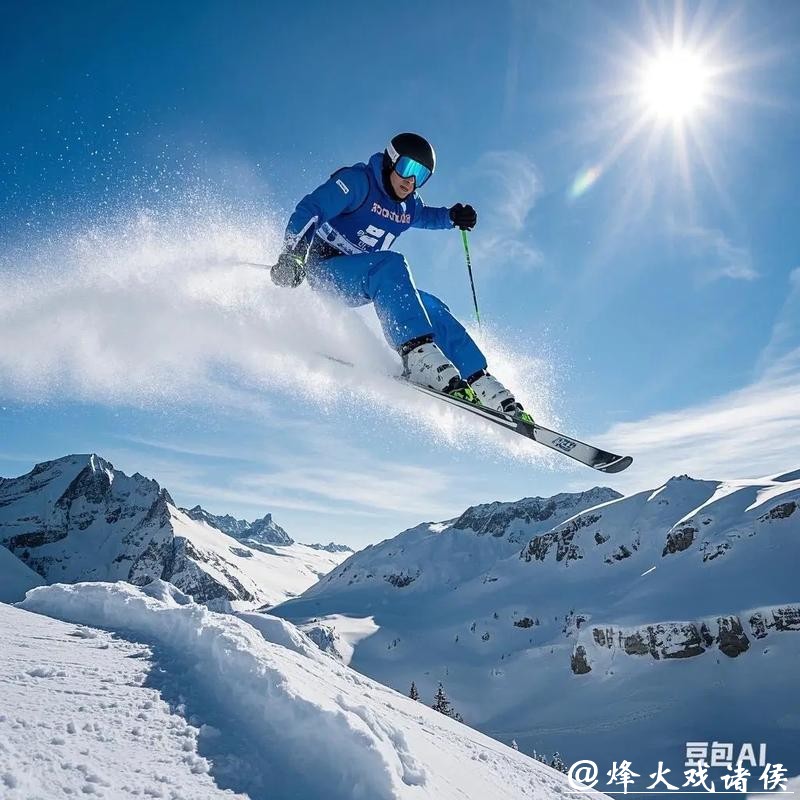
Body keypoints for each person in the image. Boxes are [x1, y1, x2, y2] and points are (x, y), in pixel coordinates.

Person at [270, 132, 532, 422]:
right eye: (408, 168)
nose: (411, 181)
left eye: (422, 175)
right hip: (323, 271)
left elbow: (427, 216)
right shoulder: (358, 182)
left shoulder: (408, 206)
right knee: (391, 265)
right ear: (391, 161)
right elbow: (311, 208)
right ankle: (417, 356)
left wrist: (452, 216)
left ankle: (480, 382)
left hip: (360, 278)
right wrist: (293, 255)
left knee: (430, 306)